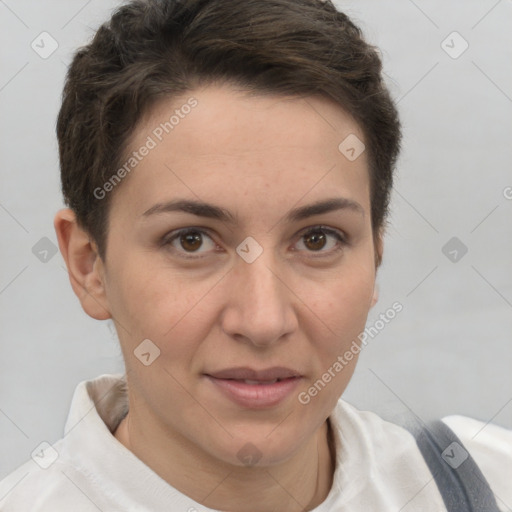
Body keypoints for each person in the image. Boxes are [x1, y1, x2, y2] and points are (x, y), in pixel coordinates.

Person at [1, 0, 510, 510]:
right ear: (89, 266)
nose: (263, 321)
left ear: (375, 254)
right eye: (192, 241)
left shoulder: (485, 482)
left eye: (317, 239)